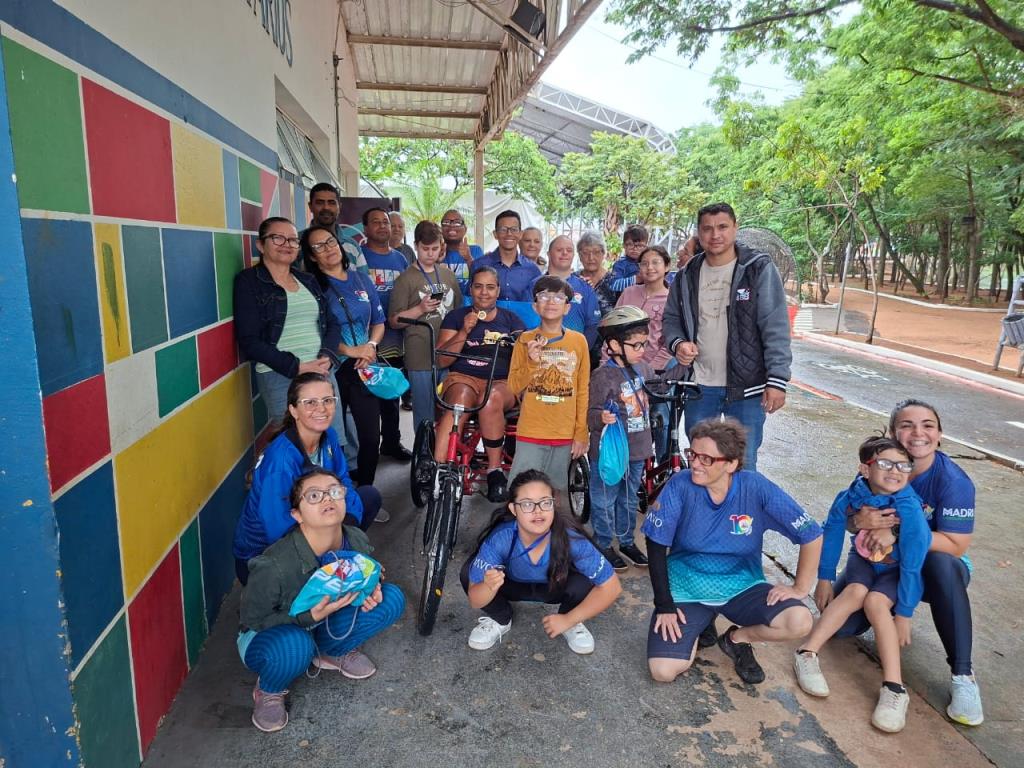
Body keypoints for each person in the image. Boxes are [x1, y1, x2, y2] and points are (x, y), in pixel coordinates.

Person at [836, 399, 984, 726]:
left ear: (940, 434)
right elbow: (848, 518)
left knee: (943, 564)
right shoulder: (878, 464)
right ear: (892, 433)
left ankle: (963, 676)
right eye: (906, 425)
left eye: (927, 425)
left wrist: (899, 533)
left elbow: (957, 544)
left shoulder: (953, 482)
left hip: (933, 568)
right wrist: (860, 520)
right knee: (839, 627)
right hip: (881, 563)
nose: (918, 433)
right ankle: (888, 602)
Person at [642, 417, 822, 686]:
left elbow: (811, 532)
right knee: (663, 671)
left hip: (742, 587)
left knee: (799, 621)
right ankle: (703, 621)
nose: (695, 463)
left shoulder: (755, 487)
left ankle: (737, 639)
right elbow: (655, 546)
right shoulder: (680, 485)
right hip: (686, 588)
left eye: (706, 459)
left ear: (731, 464)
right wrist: (664, 605)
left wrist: (800, 587)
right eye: (693, 454)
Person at [239, 469, 404, 732]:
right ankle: (269, 689)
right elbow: (251, 620)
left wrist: (372, 589)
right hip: (272, 633)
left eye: (335, 491)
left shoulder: (356, 538)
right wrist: (307, 618)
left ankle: (330, 651)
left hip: (324, 620)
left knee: (392, 600)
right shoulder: (274, 564)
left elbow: (364, 575)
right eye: (314, 496)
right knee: (296, 645)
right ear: (297, 514)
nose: (328, 499)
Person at [794, 436, 930, 733]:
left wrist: (905, 613)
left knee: (876, 602)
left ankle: (894, 688)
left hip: (895, 572)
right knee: (855, 592)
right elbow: (831, 533)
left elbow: (913, 563)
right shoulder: (850, 496)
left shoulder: (909, 508)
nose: (895, 470)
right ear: (865, 470)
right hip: (864, 562)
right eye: (885, 463)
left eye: (903, 465)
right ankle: (807, 653)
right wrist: (825, 578)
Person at [663, 202, 792, 472]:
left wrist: (777, 381)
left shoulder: (757, 269)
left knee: (743, 465)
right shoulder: (687, 275)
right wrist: (678, 344)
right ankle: (708, 514)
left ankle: (741, 515)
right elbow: (671, 319)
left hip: (747, 388)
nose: (715, 235)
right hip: (700, 385)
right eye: (707, 229)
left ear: (735, 228)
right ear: (699, 233)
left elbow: (775, 326)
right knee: (702, 462)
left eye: (722, 227)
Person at [233, 373, 383, 584]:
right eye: (310, 402)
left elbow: (343, 483)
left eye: (328, 400)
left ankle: (337, 559)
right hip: (265, 557)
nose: (321, 409)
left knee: (369, 497)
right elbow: (278, 530)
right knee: (340, 598)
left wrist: (343, 531)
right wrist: (334, 550)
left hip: (315, 529)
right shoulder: (282, 459)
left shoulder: (329, 436)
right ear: (293, 410)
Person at [459, 469, 622, 653]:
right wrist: (488, 587)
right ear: (513, 509)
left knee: (589, 578)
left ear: (554, 504)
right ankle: (500, 618)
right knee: (469, 572)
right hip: (511, 585)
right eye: (527, 504)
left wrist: (569, 619)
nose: (538, 511)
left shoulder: (572, 539)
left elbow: (612, 587)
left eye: (545, 502)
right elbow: (475, 599)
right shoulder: (501, 538)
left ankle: (571, 620)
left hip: (555, 587)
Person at [233, 217, 349, 443]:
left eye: (293, 240)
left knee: (333, 443)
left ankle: (333, 481)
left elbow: (333, 323)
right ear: (260, 245)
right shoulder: (249, 281)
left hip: (322, 372)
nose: (287, 244)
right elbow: (249, 340)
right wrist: (296, 366)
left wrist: (327, 356)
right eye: (278, 238)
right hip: (280, 376)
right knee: (296, 447)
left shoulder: (307, 280)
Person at [302, 225, 388, 488]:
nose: (328, 249)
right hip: (332, 368)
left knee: (371, 436)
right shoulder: (312, 287)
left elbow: (379, 322)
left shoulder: (361, 280)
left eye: (330, 242)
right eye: (318, 246)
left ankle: (364, 491)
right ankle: (335, 489)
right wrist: (351, 350)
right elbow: (317, 331)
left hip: (364, 366)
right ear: (311, 256)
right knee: (333, 436)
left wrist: (371, 346)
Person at [434, 265, 526, 501]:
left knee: (490, 400)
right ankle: (440, 468)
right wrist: (464, 331)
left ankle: (495, 471)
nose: (484, 292)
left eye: (490, 287)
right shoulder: (455, 317)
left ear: (497, 291)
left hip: (501, 381)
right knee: (460, 400)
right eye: (478, 286)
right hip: (463, 377)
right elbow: (443, 359)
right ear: (471, 289)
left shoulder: (511, 319)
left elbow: (525, 358)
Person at [507, 276, 591, 502]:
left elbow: (582, 389)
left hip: (564, 432)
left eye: (558, 297)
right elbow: (514, 386)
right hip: (531, 431)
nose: (551, 301)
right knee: (521, 490)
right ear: (535, 305)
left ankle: (554, 536)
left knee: (556, 494)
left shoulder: (579, 341)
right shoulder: (524, 340)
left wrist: (581, 431)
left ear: (567, 307)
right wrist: (532, 363)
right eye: (544, 296)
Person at [587, 306, 657, 571]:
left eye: (645, 343)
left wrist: (683, 365)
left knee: (628, 499)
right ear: (614, 344)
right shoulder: (603, 375)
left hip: (638, 450)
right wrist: (600, 418)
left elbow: (659, 386)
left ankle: (627, 540)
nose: (642, 349)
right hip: (610, 453)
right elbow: (590, 413)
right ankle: (603, 542)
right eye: (636, 344)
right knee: (604, 498)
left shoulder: (643, 369)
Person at [389, 220, 462, 433]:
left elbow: (457, 311)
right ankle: (423, 458)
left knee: (449, 409)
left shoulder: (447, 274)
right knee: (424, 412)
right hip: (420, 355)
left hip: (449, 353)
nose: (430, 254)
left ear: (442, 247)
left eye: (434, 249)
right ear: (415, 246)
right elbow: (394, 321)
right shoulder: (406, 279)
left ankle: (443, 455)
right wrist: (420, 309)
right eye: (424, 249)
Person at [360, 206, 412, 461]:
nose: (383, 227)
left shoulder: (400, 259)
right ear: (366, 229)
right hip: (364, 335)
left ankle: (391, 442)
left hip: (393, 335)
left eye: (386, 223)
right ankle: (365, 447)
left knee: (391, 390)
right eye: (376, 222)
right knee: (367, 391)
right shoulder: (359, 257)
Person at [615, 245, 674, 462]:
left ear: (667, 266)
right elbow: (612, 329)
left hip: (654, 374)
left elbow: (670, 341)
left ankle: (663, 469)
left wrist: (653, 370)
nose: (650, 267)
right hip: (622, 369)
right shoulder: (629, 293)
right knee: (626, 421)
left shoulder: (671, 299)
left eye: (656, 262)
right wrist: (608, 364)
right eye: (645, 263)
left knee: (660, 420)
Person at [537, 235, 601, 348]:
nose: (565, 253)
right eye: (559, 250)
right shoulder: (534, 285)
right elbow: (527, 322)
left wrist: (581, 351)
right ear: (548, 254)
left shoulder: (585, 288)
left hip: (573, 357)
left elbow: (592, 326)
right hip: (538, 356)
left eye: (569, 250)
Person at [474, 210, 542, 304]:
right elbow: (470, 302)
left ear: (520, 234)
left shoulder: (533, 270)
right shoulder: (479, 265)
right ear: (495, 234)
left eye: (514, 229)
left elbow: (538, 306)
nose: (509, 233)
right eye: (503, 229)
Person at [300, 182, 367, 274]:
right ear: (310, 206)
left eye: (331, 203)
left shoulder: (352, 246)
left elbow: (365, 282)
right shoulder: (296, 242)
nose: (326, 207)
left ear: (339, 207)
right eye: (320, 203)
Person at [439, 208, 483, 295]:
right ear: (441, 229)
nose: (451, 226)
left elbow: (482, 279)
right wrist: (436, 261)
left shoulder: (475, 251)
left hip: (469, 307)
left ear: (465, 229)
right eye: (446, 222)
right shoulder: (434, 252)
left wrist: (468, 259)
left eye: (457, 222)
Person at [607, 224, 649, 303]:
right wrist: (636, 279)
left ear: (646, 247)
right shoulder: (620, 264)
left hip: (644, 304)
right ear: (624, 245)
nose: (634, 248)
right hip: (625, 306)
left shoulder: (648, 264)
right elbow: (614, 285)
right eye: (630, 244)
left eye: (639, 245)